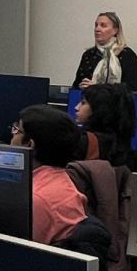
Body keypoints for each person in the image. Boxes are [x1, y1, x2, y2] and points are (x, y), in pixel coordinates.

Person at [11, 104, 88, 245]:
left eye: (16, 130)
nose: (12, 136)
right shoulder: (61, 179)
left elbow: (12, 253)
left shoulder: (36, 199)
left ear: (29, 144)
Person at [73, 11, 137, 92]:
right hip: (89, 102)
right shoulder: (88, 55)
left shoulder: (127, 55)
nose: (97, 29)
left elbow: (131, 89)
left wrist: (97, 88)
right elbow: (76, 86)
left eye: (103, 26)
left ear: (115, 30)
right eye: (96, 25)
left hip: (116, 104)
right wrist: (81, 86)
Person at [74, 83, 137, 167]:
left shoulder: (85, 142)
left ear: (99, 109)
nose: (77, 107)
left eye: (83, 103)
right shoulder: (121, 143)